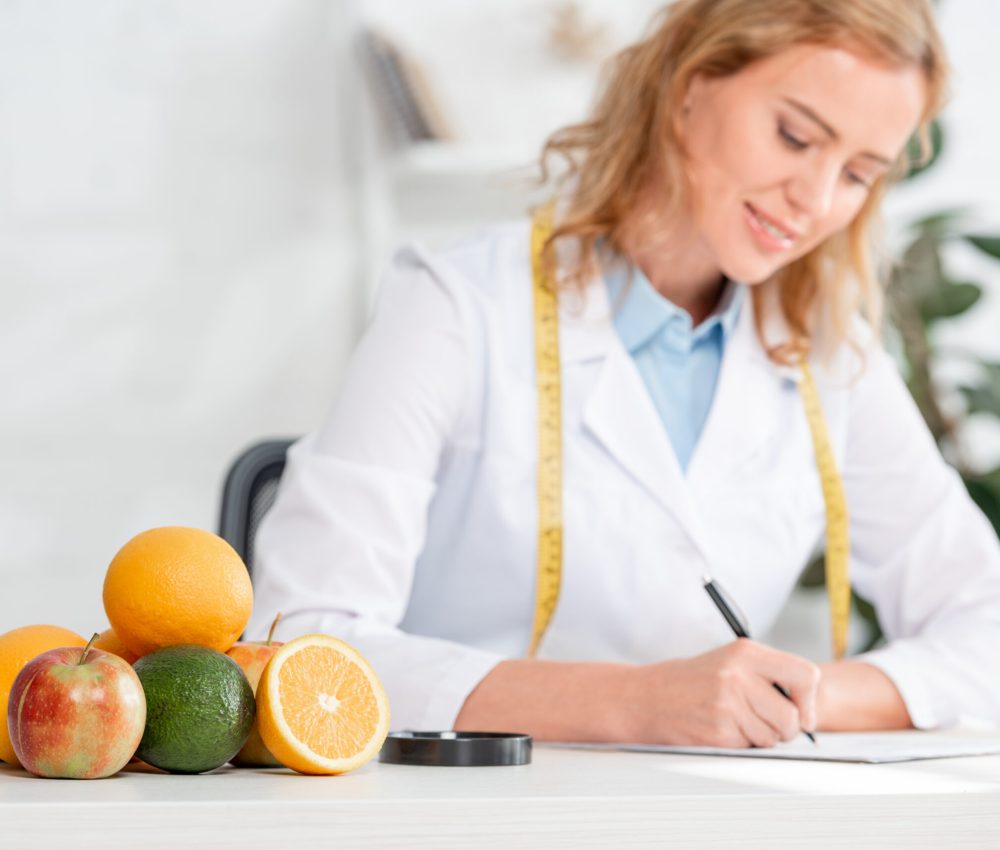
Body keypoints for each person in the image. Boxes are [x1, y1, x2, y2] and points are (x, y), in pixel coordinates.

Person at [246, 0, 1000, 747]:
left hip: (702, 809)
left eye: (859, 175)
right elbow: (305, 637)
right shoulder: (458, 303)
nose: (816, 199)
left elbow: (986, 624)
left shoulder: (829, 353)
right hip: (458, 809)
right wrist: (635, 702)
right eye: (795, 136)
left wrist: (789, 696)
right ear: (687, 88)